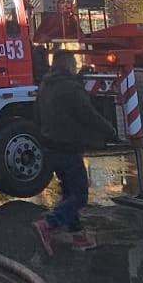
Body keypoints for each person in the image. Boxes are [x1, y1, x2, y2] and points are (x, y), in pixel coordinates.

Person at [33, 50, 116, 254]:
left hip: (51, 144)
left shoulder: (45, 84)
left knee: (69, 192)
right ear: (70, 65)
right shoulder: (71, 88)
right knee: (79, 195)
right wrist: (110, 130)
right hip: (69, 146)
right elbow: (88, 115)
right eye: (75, 64)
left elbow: (37, 114)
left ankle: (79, 236)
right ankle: (48, 224)